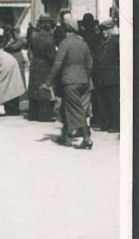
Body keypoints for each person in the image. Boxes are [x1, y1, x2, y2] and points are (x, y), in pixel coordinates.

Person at [42, 19, 94, 149]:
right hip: (83, 81)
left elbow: (57, 65)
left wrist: (48, 83)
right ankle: (66, 134)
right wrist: (85, 78)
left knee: (76, 109)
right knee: (66, 107)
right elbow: (89, 64)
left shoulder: (64, 43)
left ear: (66, 30)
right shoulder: (83, 44)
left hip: (70, 82)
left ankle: (87, 139)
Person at [26, 15, 57, 122]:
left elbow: (29, 48)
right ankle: (45, 116)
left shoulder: (34, 36)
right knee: (45, 90)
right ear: (50, 27)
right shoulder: (50, 40)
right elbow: (52, 56)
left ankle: (33, 115)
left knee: (34, 90)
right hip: (45, 66)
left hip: (35, 64)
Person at [0, 44, 26, 116]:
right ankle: (14, 110)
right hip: (12, 61)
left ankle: (1, 108)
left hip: (6, 64)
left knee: (0, 85)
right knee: (13, 86)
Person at [78, 13, 104, 127]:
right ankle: (97, 117)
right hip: (96, 67)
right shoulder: (97, 36)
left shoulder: (82, 36)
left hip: (85, 67)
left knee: (85, 93)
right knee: (96, 94)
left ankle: (84, 116)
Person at [98, 19, 119, 133]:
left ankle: (115, 125)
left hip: (112, 78)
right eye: (102, 29)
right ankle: (105, 124)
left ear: (111, 29)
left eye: (106, 29)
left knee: (114, 103)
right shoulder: (100, 42)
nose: (103, 32)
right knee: (103, 102)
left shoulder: (116, 42)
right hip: (102, 77)